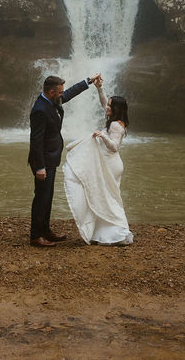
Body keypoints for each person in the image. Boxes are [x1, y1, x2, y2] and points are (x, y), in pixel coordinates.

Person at [28, 72, 100, 247]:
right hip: (43, 161)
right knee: (41, 198)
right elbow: (36, 141)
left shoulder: (51, 100)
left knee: (48, 196)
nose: (62, 94)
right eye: (59, 92)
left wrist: (88, 81)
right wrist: (39, 168)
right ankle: (36, 236)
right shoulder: (40, 109)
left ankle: (45, 230)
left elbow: (68, 94)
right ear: (51, 92)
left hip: (51, 158)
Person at [62, 79, 134, 246]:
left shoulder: (116, 125)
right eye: (108, 105)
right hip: (107, 163)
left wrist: (103, 136)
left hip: (111, 164)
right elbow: (103, 103)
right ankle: (104, 231)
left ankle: (118, 231)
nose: (107, 107)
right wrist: (99, 88)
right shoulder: (113, 118)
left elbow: (115, 147)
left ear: (117, 109)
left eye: (110, 106)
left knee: (109, 198)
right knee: (104, 197)